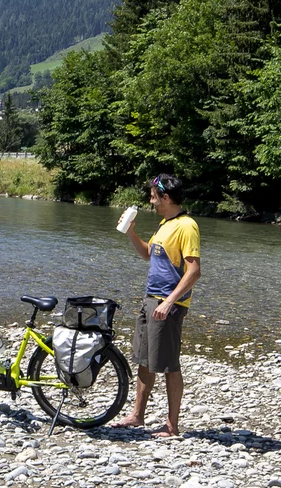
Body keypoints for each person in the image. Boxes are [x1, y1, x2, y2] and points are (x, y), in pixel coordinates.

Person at [114, 173, 201, 437]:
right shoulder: (165, 224)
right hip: (151, 299)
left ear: (165, 197)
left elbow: (194, 271)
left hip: (168, 305)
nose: (151, 201)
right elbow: (147, 254)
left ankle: (172, 426)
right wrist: (131, 232)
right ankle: (137, 416)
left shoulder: (187, 226)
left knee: (169, 365)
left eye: (153, 196)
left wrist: (170, 302)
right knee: (144, 359)